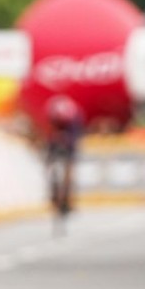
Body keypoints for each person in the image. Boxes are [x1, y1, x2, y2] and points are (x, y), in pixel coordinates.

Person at [44, 95, 85, 228]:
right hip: (54, 141)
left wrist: (69, 145)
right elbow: (47, 134)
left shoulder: (75, 117)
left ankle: (69, 200)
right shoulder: (51, 115)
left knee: (70, 167)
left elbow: (75, 140)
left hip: (70, 142)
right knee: (49, 163)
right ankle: (54, 194)